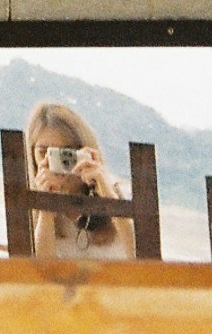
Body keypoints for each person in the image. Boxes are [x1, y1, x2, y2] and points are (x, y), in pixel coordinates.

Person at [25, 100, 132, 261]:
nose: (55, 162)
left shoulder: (121, 196)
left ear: (84, 150)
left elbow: (145, 259)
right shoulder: (26, 207)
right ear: (32, 155)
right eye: (44, 152)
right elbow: (40, 272)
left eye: (66, 153)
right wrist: (46, 208)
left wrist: (109, 198)